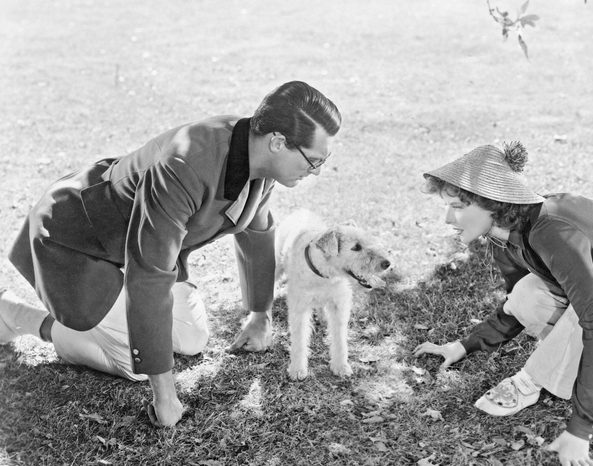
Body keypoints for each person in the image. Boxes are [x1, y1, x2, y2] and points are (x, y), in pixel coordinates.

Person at [0, 81, 341, 427]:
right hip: (75, 238)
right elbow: (149, 274)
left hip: (132, 249)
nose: (316, 171)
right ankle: (17, 316)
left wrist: (259, 315)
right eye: (314, 161)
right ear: (278, 142)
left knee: (191, 340)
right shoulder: (186, 164)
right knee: (139, 364)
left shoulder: (259, 156)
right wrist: (165, 397)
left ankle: (107, 326)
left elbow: (257, 229)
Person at [413, 142, 593, 466]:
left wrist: (581, 430)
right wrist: (464, 346)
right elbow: (518, 305)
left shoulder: (552, 229)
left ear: (492, 204)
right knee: (527, 291)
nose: (447, 218)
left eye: (457, 206)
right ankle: (572, 362)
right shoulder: (502, 237)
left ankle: (530, 383)